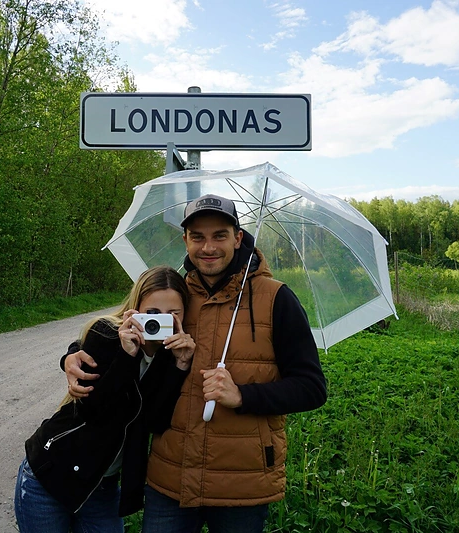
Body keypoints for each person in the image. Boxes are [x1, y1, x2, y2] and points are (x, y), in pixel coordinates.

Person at [65, 194, 328, 532]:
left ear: (237, 237)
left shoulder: (276, 299)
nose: (209, 247)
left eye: (219, 235)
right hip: (170, 477)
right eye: (198, 237)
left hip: (242, 483)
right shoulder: (176, 295)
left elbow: (312, 388)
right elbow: (118, 324)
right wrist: (72, 353)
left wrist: (243, 396)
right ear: (185, 240)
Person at [14, 266, 195, 533]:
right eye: (153, 313)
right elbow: (92, 409)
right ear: (136, 309)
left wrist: (180, 367)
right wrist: (126, 356)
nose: (161, 321)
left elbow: (155, 421)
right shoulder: (108, 335)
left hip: (102, 486)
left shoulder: (171, 357)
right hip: (50, 476)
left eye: (173, 314)